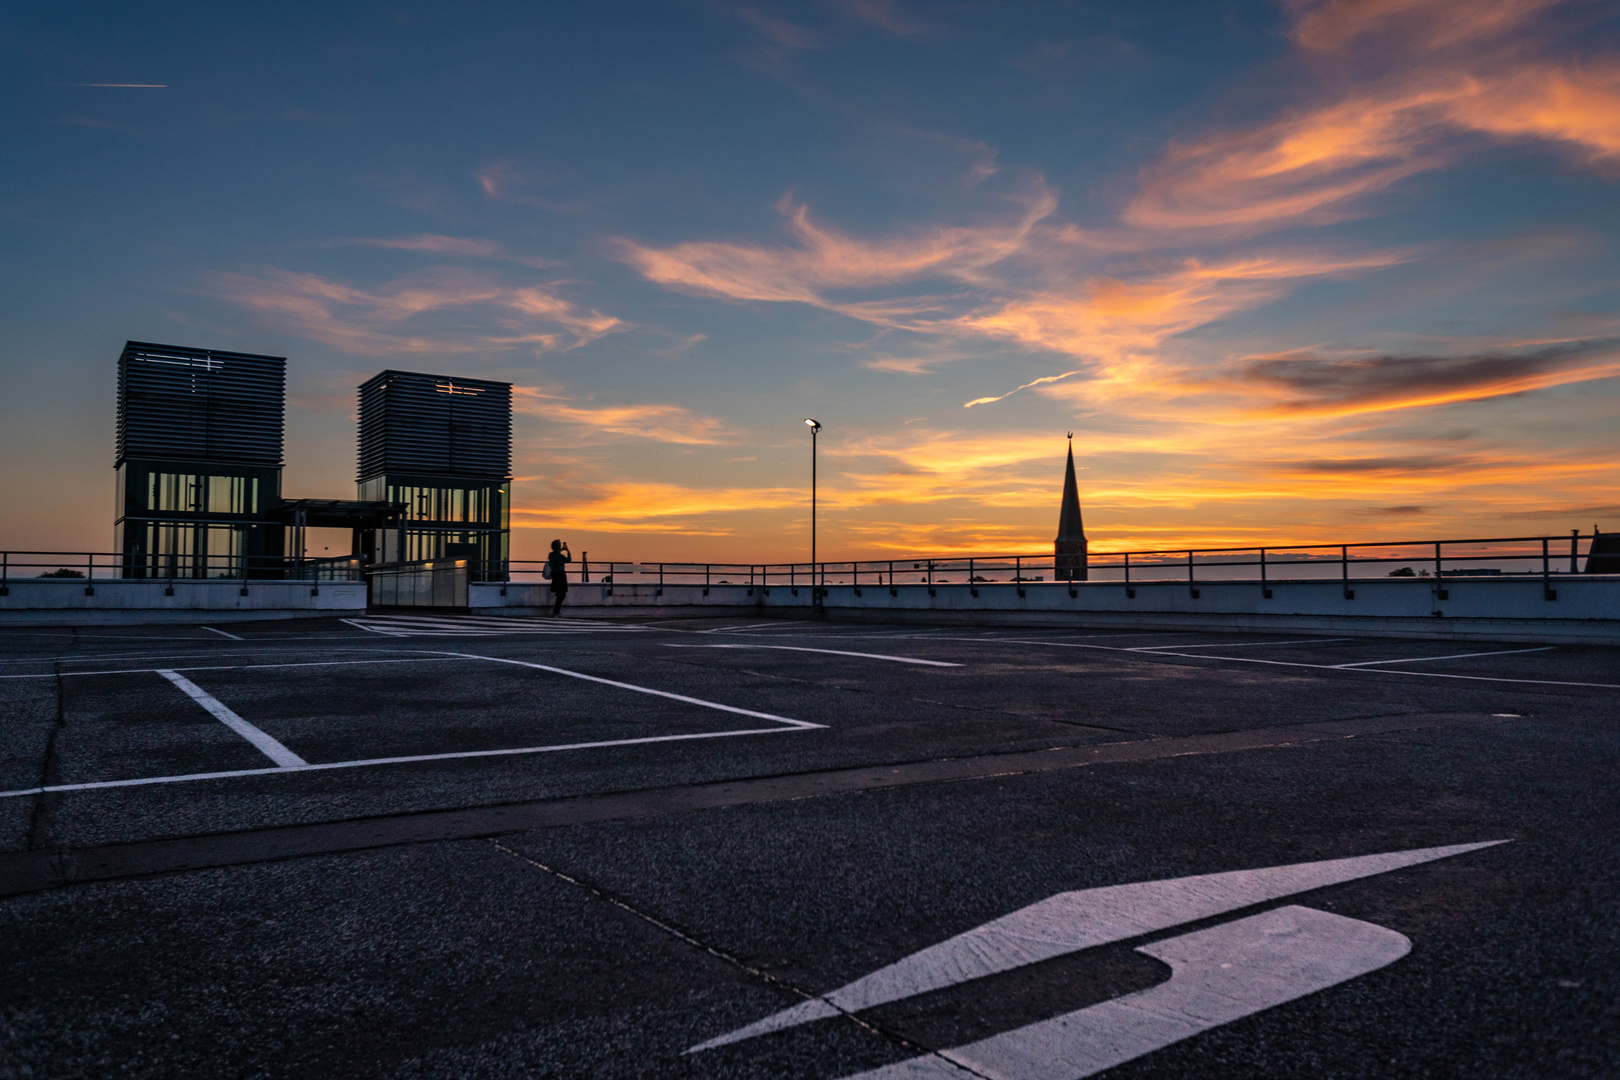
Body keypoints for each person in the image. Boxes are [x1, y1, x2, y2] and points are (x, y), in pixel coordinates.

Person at [546, 539, 572, 616]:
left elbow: (555, 554)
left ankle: (556, 611)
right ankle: (556, 611)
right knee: (562, 594)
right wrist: (568, 551)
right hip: (561, 575)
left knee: (559, 593)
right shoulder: (561, 556)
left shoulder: (550, 555)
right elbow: (569, 560)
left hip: (554, 575)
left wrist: (560, 550)